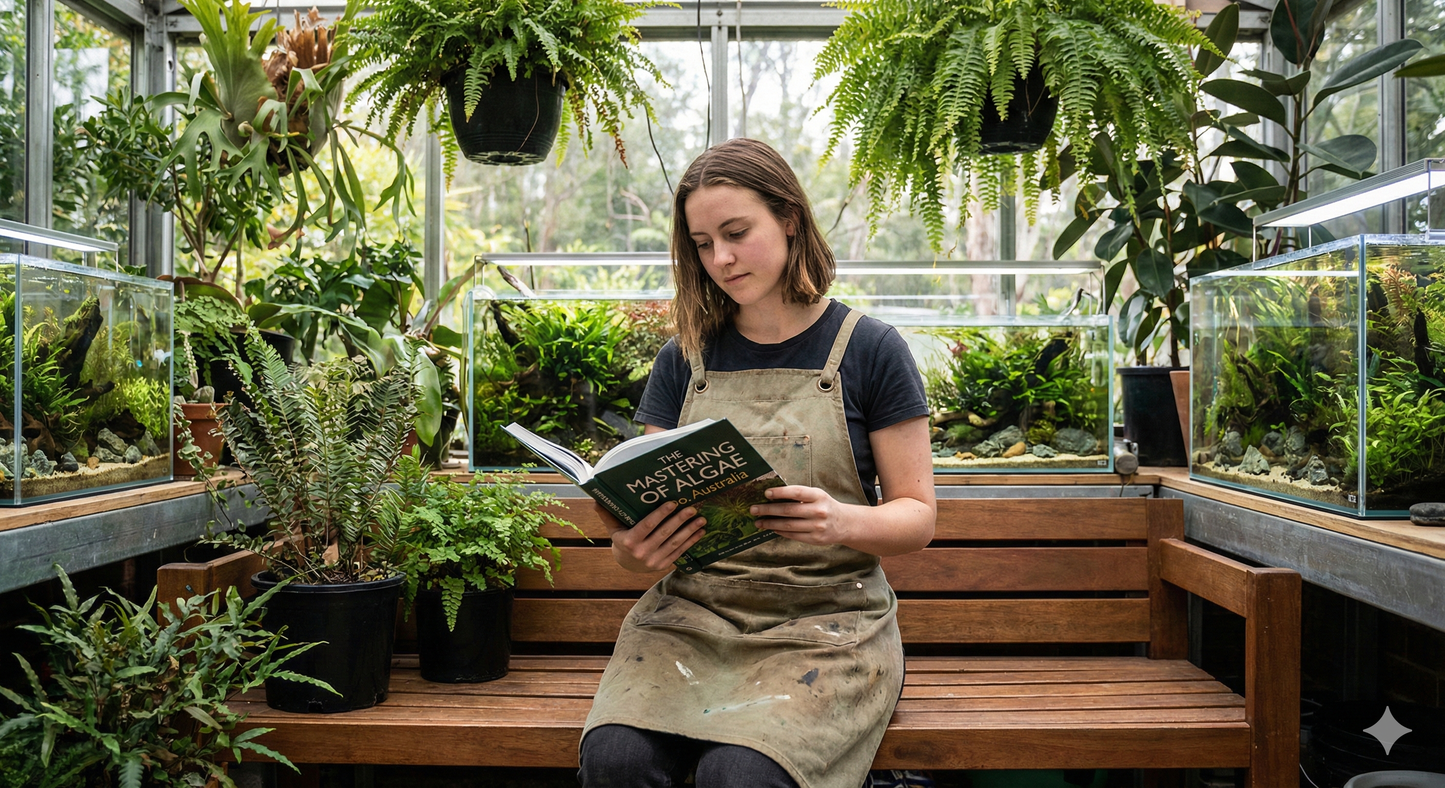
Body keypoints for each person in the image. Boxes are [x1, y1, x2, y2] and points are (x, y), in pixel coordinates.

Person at [578, 138, 937, 788]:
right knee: (615, 761)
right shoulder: (682, 359)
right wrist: (635, 550)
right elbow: (631, 539)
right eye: (702, 243)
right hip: (689, 618)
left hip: (826, 627)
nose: (720, 258)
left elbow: (916, 518)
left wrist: (839, 522)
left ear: (789, 218)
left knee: (737, 775)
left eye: (736, 233)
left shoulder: (871, 350)